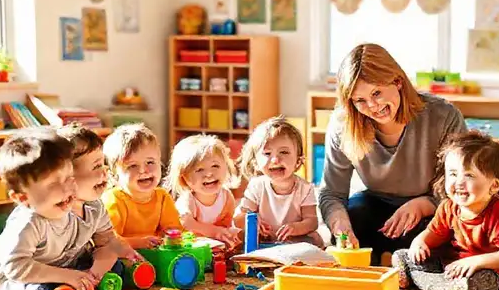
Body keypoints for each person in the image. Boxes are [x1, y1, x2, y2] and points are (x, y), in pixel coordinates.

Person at [318, 43, 467, 265]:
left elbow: (463, 186)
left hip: (432, 210)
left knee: (442, 243)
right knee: (355, 215)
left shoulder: (443, 116)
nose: (372, 106)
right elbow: (331, 192)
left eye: (376, 93)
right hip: (376, 206)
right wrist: (340, 225)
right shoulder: (343, 124)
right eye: (360, 100)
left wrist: (423, 204)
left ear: (397, 81)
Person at [0, 128, 119, 290]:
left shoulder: (80, 205)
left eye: (69, 177)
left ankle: (65, 286)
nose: (67, 189)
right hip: (7, 280)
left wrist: (94, 274)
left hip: (57, 267)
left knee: (115, 266)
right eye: (53, 184)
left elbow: (107, 242)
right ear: (23, 198)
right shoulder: (28, 222)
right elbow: (15, 267)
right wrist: (67, 276)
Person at [392, 131, 499, 290]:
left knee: (476, 281)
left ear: (494, 186)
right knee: (405, 256)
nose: (458, 182)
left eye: (469, 175)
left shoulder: (498, 212)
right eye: (453, 174)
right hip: (454, 267)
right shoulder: (448, 207)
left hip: (498, 274)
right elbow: (433, 234)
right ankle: (443, 287)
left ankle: (432, 284)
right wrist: (419, 243)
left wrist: (474, 262)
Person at [56, 123, 143, 268]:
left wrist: (126, 251)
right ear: (66, 176)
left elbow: (107, 239)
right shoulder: (53, 211)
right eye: (96, 166)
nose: (105, 171)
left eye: (103, 164)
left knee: (116, 265)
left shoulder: (95, 206)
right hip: (45, 270)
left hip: (75, 264)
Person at [233, 116, 324, 248]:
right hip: (264, 240)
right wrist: (253, 222)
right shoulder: (256, 186)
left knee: (313, 243)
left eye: (284, 152)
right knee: (238, 240)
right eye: (267, 153)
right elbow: (238, 218)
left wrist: (296, 228)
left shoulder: (305, 188)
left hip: (294, 241)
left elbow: (312, 221)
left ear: (298, 161)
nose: (275, 160)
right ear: (256, 163)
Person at [101, 123, 182, 249]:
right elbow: (108, 240)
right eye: (132, 166)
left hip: (155, 254)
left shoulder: (162, 197)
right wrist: (139, 243)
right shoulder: (114, 200)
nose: (143, 170)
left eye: (150, 162)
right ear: (115, 173)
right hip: (122, 255)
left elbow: (173, 230)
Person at [166, 134, 239, 248]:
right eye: (199, 169)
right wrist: (214, 232)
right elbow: (185, 223)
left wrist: (230, 234)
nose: (209, 173)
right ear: (184, 178)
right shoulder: (188, 200)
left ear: (226, 167)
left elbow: (227, 224)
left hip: (217, 246)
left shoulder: (226, 196)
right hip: (193, 246)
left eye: (215, 166)